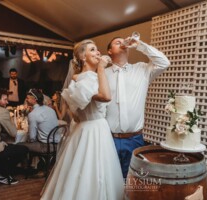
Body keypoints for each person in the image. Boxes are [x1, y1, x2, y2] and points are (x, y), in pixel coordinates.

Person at [41, 39, 124, 200]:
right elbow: (106, 97)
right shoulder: (84, 79)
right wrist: (101, 68)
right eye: (92, 50)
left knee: (96, 172)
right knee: (90, 172)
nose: (98, 52)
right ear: (82, 56)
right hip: (93, 131)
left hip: (92, 129)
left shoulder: (86, 78)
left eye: (97, 50)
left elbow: (77, 116)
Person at [105, 36, 170, 178]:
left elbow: (164, 63)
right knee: (108, 179)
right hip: (108, 139)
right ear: (109, 51)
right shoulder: (103, 75)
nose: (122, 43)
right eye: (117, 42)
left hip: (135, 139)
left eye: (124, 42)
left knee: (133, 181)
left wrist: (140, 45)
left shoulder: (142, 69)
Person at [0, 89, 29, 185]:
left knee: (7, 145)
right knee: (23, 149)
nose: (7, 102)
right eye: (5, 99)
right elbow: (13, 133)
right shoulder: (2, 111)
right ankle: (1, 174)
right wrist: (11, 121)